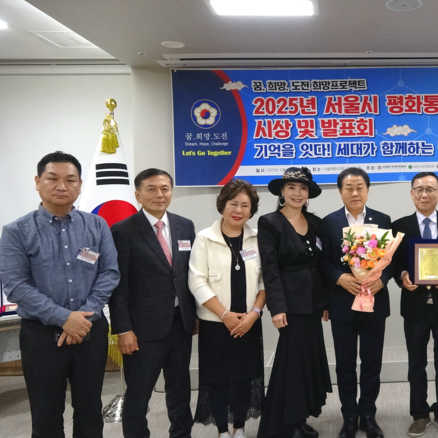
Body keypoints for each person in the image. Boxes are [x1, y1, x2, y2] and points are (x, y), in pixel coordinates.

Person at [0, 151, 120, 438]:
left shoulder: (97, 225)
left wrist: (82, 318)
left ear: (80, 185)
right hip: (41, 336)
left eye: (70, 180)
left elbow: (109, 273)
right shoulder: (16, 231)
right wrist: (64, 318)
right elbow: (16, 286)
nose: (62, 186)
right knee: (46, 416)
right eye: (52, 179)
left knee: (90, 412)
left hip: (90, 332)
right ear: (37, 182)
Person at [108, 168, 197, 438]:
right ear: (138, 195)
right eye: (151, 189)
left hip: (180, 324)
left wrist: (194, 315)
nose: (159, 194)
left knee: (180, 390)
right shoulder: (122, 231)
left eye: (165, 188)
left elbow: (189, 275)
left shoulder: (184, 225)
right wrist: (123, 329)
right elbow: (118, 287)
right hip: (141, 330)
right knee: (138, 395)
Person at [257, 167, 332, 438]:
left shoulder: (316, 222)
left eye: (302, 188)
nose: (297, 193)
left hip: (313, 304)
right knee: (291, 363)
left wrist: (326, 301)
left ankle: (299, 417)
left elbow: (323, 263)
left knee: (308, 360)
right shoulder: (270, 222)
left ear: (308, 193)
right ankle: (285, 424)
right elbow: (270, 269)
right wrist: (277, 308)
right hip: (289, 306)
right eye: (291, 187)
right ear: (282, 191)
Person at [189, 179, 266, 438]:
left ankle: (239, 427)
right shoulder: (205, 238)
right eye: (233, 203)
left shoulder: (258, 239)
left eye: (245, 205)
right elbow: (197, 281)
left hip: (249, 323)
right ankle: (222, 429)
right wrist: (224, 315)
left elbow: (266, 282)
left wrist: (254, 314)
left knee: (244, 377)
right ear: (222, 205)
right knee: (217, 378)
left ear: (251, 210)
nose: (239, 210)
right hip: (215, 323)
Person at [319, 167, 393, 438]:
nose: (354, 192)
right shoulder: (328, 222)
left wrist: (383, 279)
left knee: (372, 362)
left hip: (374, 303)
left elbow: (391, 260)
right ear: (340, 192)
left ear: (367, 190)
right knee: (345, 363)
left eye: (360, 187)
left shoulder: (382, 219)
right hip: (342, 304)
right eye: (348, 188)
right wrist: (339, 278)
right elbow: (322, 262)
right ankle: (349, 416)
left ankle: (368, 415)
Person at [391, 172, 438, 438]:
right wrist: (402, 276)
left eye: (430, 189)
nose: (425, 194)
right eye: (419, 189)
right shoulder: (398, 227)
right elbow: (393, 263)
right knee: (416, 364)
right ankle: (419, 414)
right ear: (411, 193)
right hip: (415, 306)